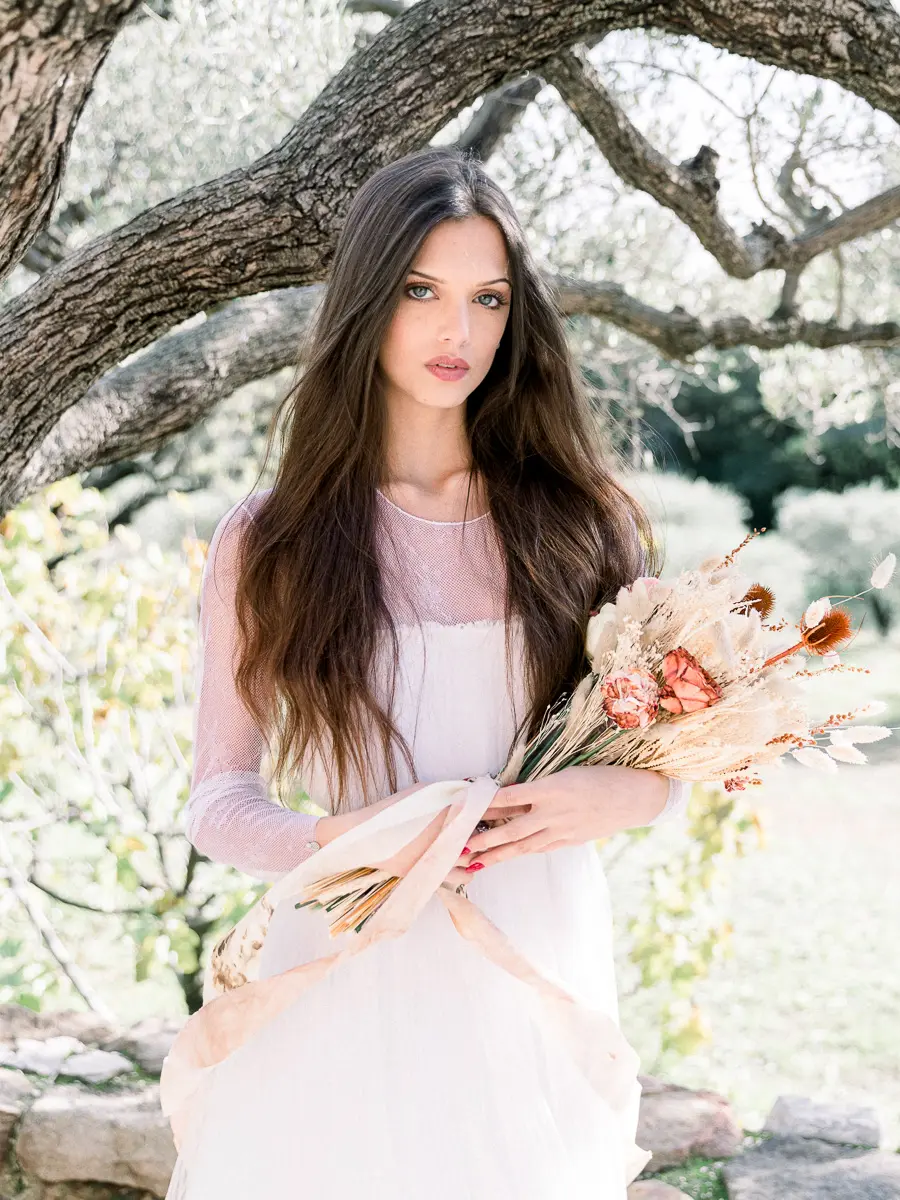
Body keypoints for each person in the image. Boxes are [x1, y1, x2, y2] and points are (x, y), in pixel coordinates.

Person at [171, 146, 690, 1200]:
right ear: (369, 300)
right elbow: (217, 801)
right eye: (422, 291)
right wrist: (348, 841)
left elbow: (663, 757)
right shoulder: (273, 538)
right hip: (346, 964)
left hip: (531, 968)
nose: (458, 332)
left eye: (487, 299)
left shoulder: (582, 524)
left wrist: (625, 791)